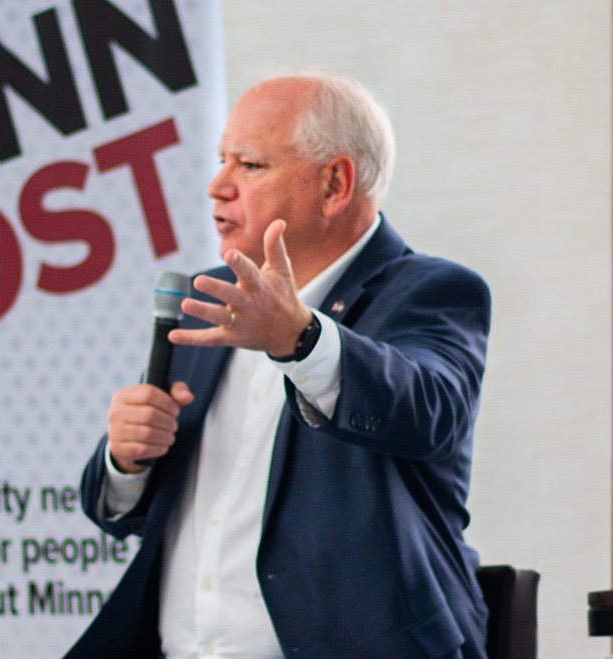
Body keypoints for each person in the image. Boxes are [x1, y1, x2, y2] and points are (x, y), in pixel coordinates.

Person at [65, 67, 491, 658]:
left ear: (334, 185)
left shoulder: (431, 292)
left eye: (249, 165)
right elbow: (122, 513)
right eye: (221, 161)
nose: (217, 185)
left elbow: (428, 410)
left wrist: (302, 339)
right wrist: (125, 459)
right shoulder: (205, 298)